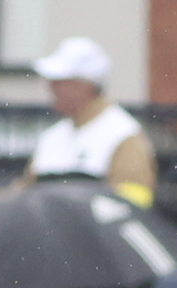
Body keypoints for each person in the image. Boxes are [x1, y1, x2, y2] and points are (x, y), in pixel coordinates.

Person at [26, 36, 155, 205]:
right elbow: (25, 190)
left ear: (86, 85)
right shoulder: (51, 137)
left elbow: (134, 204)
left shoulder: (124, 135)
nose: (51, 87)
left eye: (60, 81)